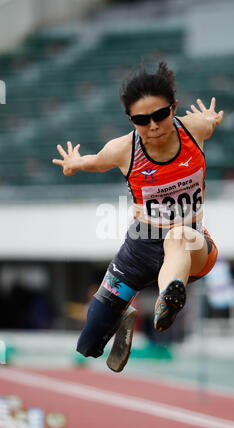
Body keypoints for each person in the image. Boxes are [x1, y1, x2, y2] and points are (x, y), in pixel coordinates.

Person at [52, 62, 223, 372]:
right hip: (140, 249)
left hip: (193, 246)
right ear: (130, 120)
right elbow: (96, 162)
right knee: (89, 344)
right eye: (141, 120)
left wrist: (210, 119)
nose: (153, 126)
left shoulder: (193, 129)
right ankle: (120, 318)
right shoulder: (123, 150)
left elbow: (209, 124)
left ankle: (167, 301)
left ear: (174, 107)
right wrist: (74, 162)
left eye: (160, 115)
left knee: (177, 237)